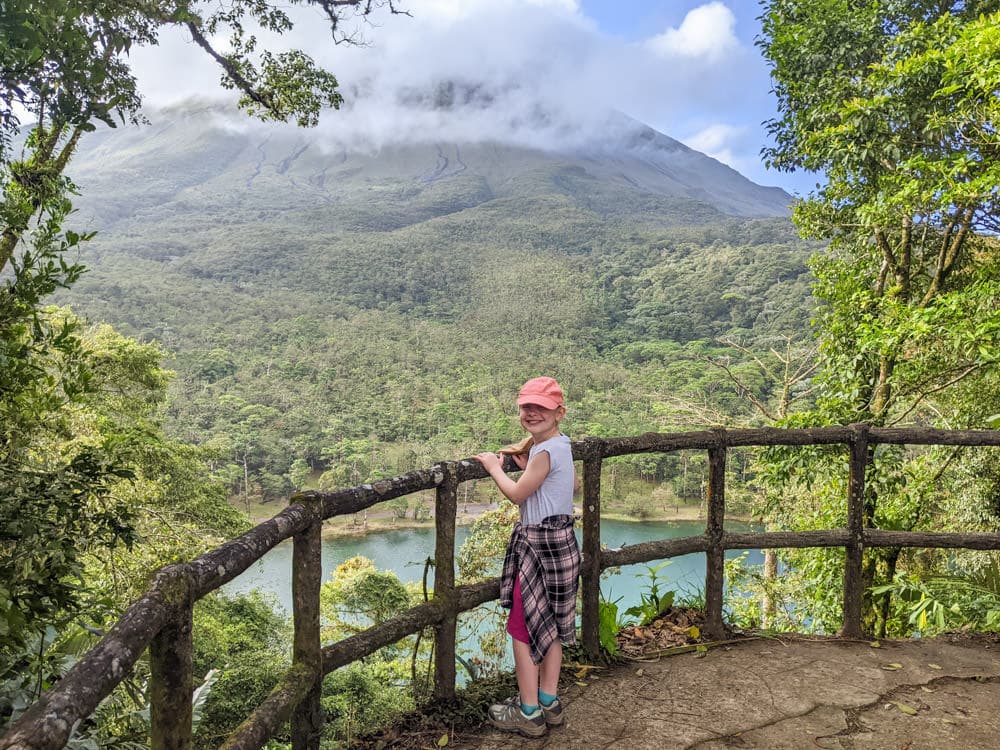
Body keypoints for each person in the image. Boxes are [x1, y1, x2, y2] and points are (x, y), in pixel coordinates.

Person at [473, 376, 581, 738]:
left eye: (541, 407)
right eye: (527, 407)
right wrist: (532, 466)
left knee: (522, 628)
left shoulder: (545, 452)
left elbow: (518, 496)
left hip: (538, 548)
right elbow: (573, 485)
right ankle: (549, 700)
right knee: (552, 626)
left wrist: (495, 468)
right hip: (563, 544)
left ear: (559, 412)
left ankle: (529, 711)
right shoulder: (561, 446)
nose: (532, 413)